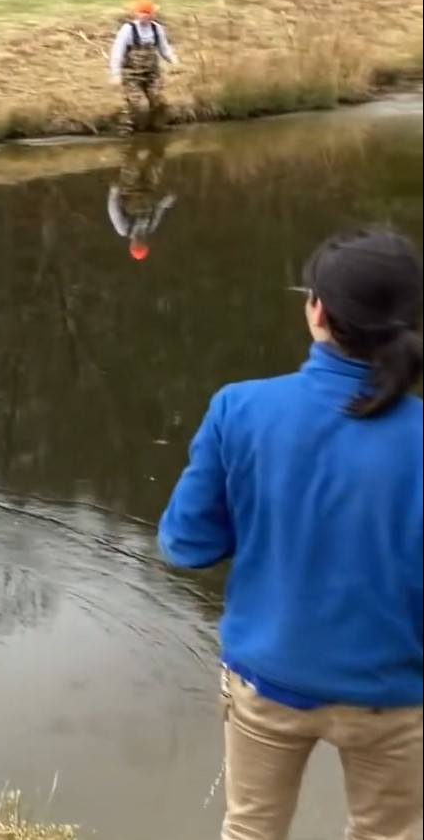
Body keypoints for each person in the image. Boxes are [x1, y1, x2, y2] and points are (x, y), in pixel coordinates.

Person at [158, 227, 423, 840]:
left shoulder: (240, 408)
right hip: (395, 691)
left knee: (251, 829)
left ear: (318, 311)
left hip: (267, 677)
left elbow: (184, 545)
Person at [109, 0, 179, 135]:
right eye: (142, 13)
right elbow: (117, 52)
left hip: (152, 73)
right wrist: (115, 74)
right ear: (136, 14)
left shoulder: (157, 29)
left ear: (152, 14)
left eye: (147, 13)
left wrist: (173, 61)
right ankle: (124, 130)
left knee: (157, 99)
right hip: (132, 74)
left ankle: (157, 127)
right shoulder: (127, 30)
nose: (144, 16)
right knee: (134, 102)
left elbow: (164, 48)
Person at [107, 136, 176, 260]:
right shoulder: (151, 227)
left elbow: (113, 209)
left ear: (131, 245)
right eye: (141, 245)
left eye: (137, 245)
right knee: (157, 157)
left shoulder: (123, 229)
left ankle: (127, 130)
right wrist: (166, 201)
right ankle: (153, 133)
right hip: (149, 186)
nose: (139, 242)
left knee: (131, 159)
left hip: (129, 188)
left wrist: (114, 192)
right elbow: (158, 209)